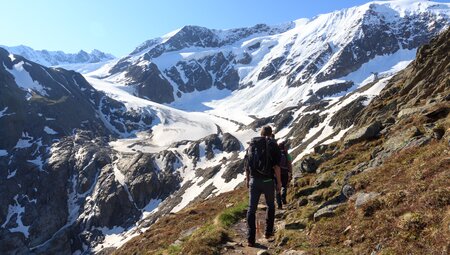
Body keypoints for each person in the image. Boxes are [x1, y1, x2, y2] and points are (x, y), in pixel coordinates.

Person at [245, 126, 282, 247]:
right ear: (271, 134)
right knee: (270, 206)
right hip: (268, 181)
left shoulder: (252, 144)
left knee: (251, 209)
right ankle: (268, 233)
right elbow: (277, 167)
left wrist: (248, 180)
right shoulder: (273, 145)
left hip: (254, 181)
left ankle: (250, 239)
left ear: (260, 133)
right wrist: (279, 183)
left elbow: (247, 165)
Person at [276, 141, 292, 209]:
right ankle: (284, 198)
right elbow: (289, 164)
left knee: (277, 188)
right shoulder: (286, 155)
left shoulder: (276, 154)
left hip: (277, 173)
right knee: (284, 186)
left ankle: (279, 204)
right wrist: (290, 172)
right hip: (285, 172)